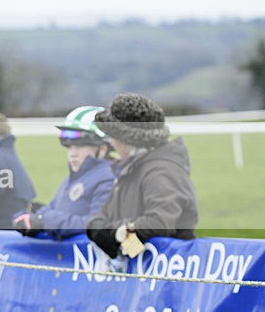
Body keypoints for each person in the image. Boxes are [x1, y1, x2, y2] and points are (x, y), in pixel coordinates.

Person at [86, 93, 199, 261]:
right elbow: (104, 215)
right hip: (144, 271)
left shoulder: (162, 170)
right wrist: (99, 229)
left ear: (128, 139)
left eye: (114, 135)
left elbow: (159, 223)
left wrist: (116, 234)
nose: (111, 142)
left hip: (169, 273)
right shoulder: (130, 168)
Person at [13, 106, 115, 239]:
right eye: (69, 146)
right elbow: (50, 210)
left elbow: (96, 226)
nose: (72, 154)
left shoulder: (109, 178)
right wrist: (27, 218)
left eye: (80, 146)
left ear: (102, 149)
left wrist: (45, 221)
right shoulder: (73, 178)